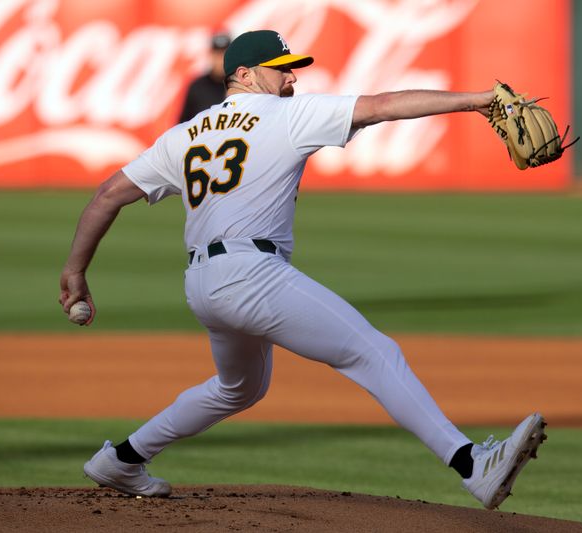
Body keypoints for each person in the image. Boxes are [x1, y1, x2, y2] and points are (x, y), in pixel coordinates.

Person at [59, 29, 547, 510]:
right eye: (282, 69)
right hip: (252, 275)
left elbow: (107, 195)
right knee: (373, 353)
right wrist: (476, 100)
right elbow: (380, 105)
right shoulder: (286, 115)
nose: (292, 78)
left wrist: (76, 270)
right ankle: (471, 465)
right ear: (245, 75)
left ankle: (122, 459)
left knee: (240, 387)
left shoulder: (183, 135)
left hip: (202, 284)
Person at [177, 31, 231, 123]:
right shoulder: (198, 87)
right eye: (217, 54)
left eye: (224, 54)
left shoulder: (242, 85)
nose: (221, 60)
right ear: (210, 55)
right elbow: (183, 124)